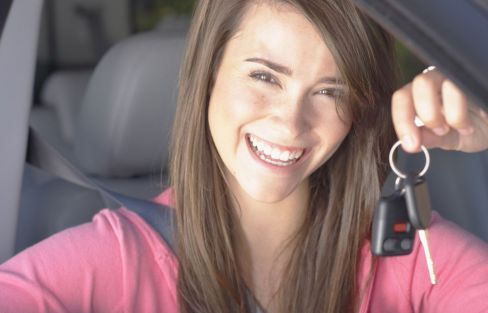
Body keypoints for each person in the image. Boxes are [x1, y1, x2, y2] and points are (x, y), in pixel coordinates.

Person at [1, 0, 488, 312]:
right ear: (209, 73)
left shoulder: (407, 258)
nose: (290, 122)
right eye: (264, 76)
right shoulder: (115, 259)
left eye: (330, 91)